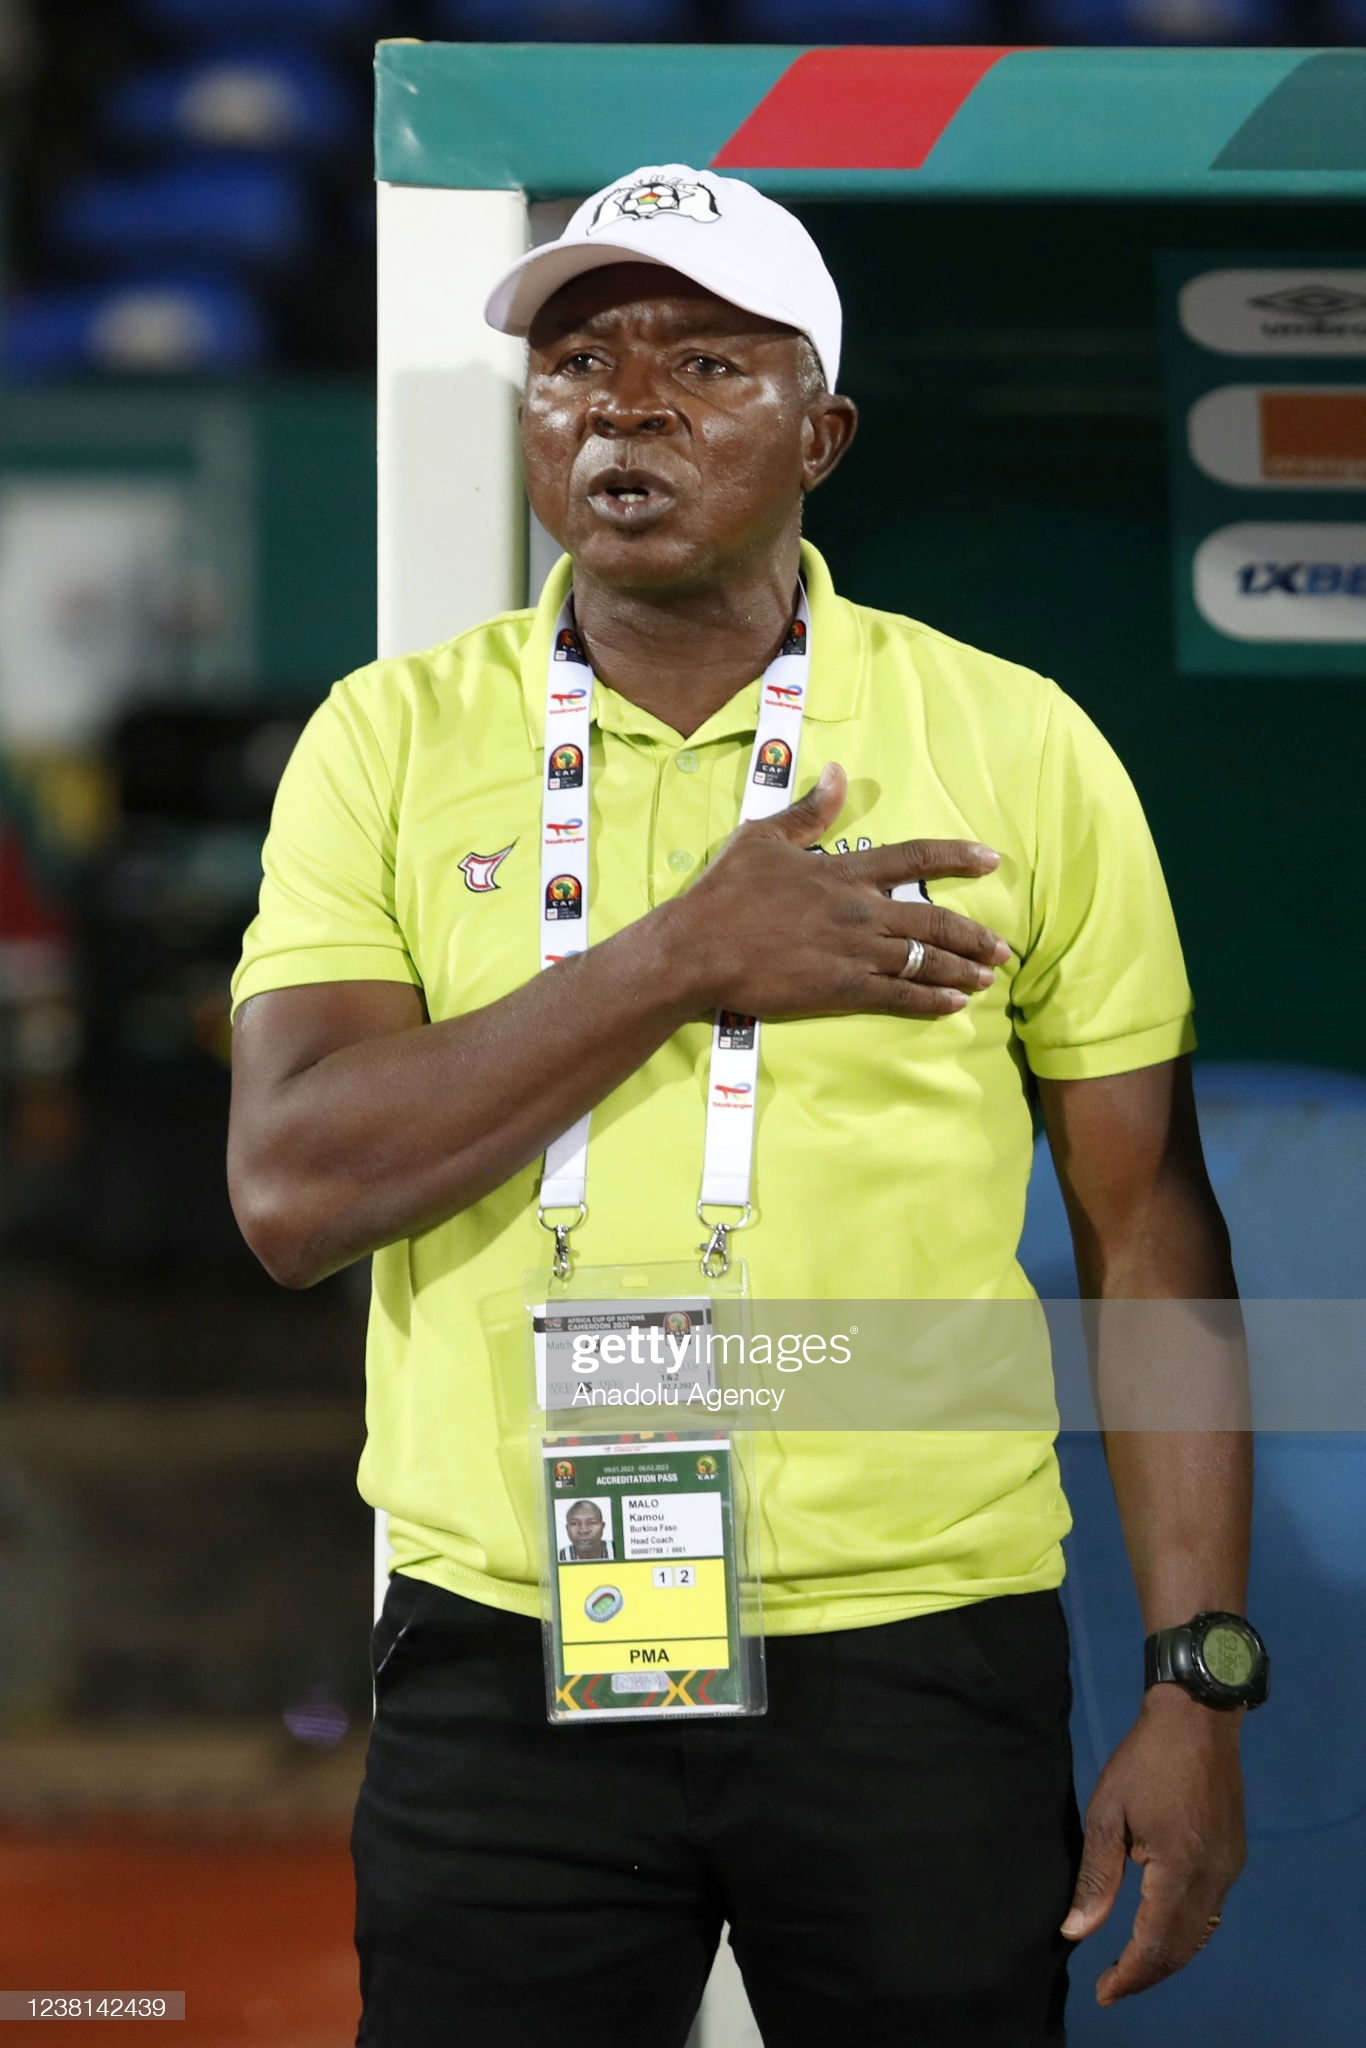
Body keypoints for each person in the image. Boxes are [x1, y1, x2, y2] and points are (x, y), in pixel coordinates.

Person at [228, 164, 1261, 2048]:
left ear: (824, 433)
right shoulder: (388, 739)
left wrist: (1195, 1686)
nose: (623, 404)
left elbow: (1150, 1225)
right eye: (574, 362)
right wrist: (680, 952)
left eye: (706, 361)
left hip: (914, 1651)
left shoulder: (1014, 741)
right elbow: (294, 1188)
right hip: (505, 1639)